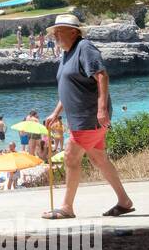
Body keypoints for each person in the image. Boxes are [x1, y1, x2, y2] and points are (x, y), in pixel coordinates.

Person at [41, 14, 134, 220]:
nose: (55, 35)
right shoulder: (66, 54)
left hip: (89, 117)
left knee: (70, 156)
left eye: (59, 31)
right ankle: (124, 201)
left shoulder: (85, 48)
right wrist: (56, 113)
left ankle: (66, 207)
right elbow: (70, 88)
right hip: (81, 117)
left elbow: (101, 75)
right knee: (98, 158)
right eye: (54, 32)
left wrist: (101, 108)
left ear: (74, 32)